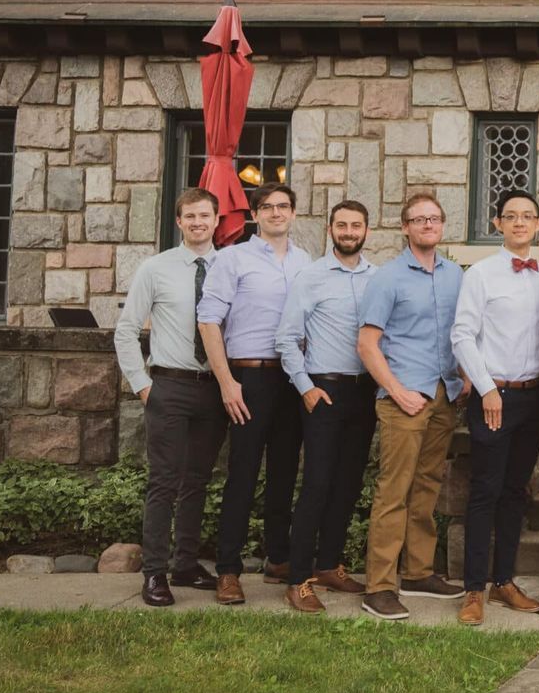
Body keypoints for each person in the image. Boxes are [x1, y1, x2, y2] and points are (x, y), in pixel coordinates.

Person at [197, 182, 312, 606]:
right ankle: (228, 569)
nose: (277, 213)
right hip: (249, 377)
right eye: (268, 207)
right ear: (255, 214)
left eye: (284, 206)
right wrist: (227, 382)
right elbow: (209, 321)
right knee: (242, 474)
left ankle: (277, 558)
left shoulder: (306, 263)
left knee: (284, 472)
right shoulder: (233, 259)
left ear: (294, 213)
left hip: (293, 377)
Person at [356, 192, 467, 621]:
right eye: (418, 219)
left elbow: (463, 331)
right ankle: (379, 586)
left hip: (444, 394)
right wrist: (397, 390)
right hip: (404, 397)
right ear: (405, 227)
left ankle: (418, 572)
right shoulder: (388, 278)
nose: (427, 225)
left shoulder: (456, 275)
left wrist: (467, 377)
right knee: (394, 492)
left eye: (434, 218)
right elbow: (367, 345)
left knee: (427, 489)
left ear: (442, 225)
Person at [114, 188, 224, 607]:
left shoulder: (229, 268)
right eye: (190, 216)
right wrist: (143, 385)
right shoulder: (155, 269)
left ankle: (186, 563)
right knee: (164, 481)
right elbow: (125, 331)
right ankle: (154, 573)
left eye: (205, 216)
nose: (198, 223)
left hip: (214, 390)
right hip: (170, 386)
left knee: (198, 480)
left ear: (217, 221)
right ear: (179, 222)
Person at [448, 190, 539, 626]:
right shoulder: (482, 275)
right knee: (485, 491)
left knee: (515, 490)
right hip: (495, 397)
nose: (520, 223)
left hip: (535, 397)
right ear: (497, 224)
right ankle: (474, 589)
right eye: (511, 216)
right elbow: (461, 336)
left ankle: (505, 580)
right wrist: (486, 388)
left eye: (528, 216)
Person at [274, 200, 377, 614]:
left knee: (349, 482)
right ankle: (299, 579)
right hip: (324, 390)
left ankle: (329, 564)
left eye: (356, 225)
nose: (349, 231)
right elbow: (286, 338)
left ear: (367, 230)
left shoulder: (379, 279)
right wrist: (305, 388)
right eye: (342, 224)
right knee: (316, 484)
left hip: (365, 392)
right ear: (330, 229)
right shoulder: (310, 277)